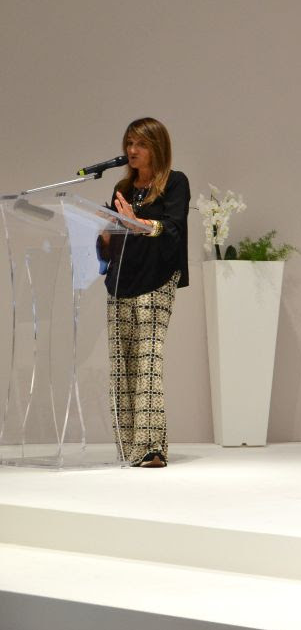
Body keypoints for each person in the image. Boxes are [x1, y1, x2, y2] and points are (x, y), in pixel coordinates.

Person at [101, 117, 190, 468]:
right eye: (128, 143)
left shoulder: (174, 182)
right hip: (121, 280)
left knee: (148, 362)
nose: (131, 151)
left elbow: (173, 228)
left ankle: (151, 448)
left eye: (139, 144)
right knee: (121, 366)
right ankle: (129, 448)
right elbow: (113, 235)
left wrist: (137, 224)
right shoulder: (122, 187)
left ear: (156, 147)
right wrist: (105, 233)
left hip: (157, 278)